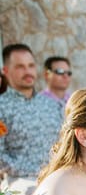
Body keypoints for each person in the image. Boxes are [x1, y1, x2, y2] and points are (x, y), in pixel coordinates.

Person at [0, 44, 63, 179]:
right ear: (5, 71)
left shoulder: (51, 105)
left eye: (31, 65)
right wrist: (34, 172)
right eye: (20, 67)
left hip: (57, 182)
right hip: (21, 188)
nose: (27, 71)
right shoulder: (2, 107)